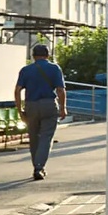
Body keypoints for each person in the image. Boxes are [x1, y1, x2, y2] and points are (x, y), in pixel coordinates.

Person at [15, 43, 68, 181]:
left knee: (33, 138)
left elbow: (17, 90)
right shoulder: (54, 68)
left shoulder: (25, 70)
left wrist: (19, 109)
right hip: (49, 105)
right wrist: (63, 108)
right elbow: (60, 90)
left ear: (33, 56)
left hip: (31, 105)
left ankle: (36, 166)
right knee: (46, 137)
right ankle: (39, 167)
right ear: (48, 55)